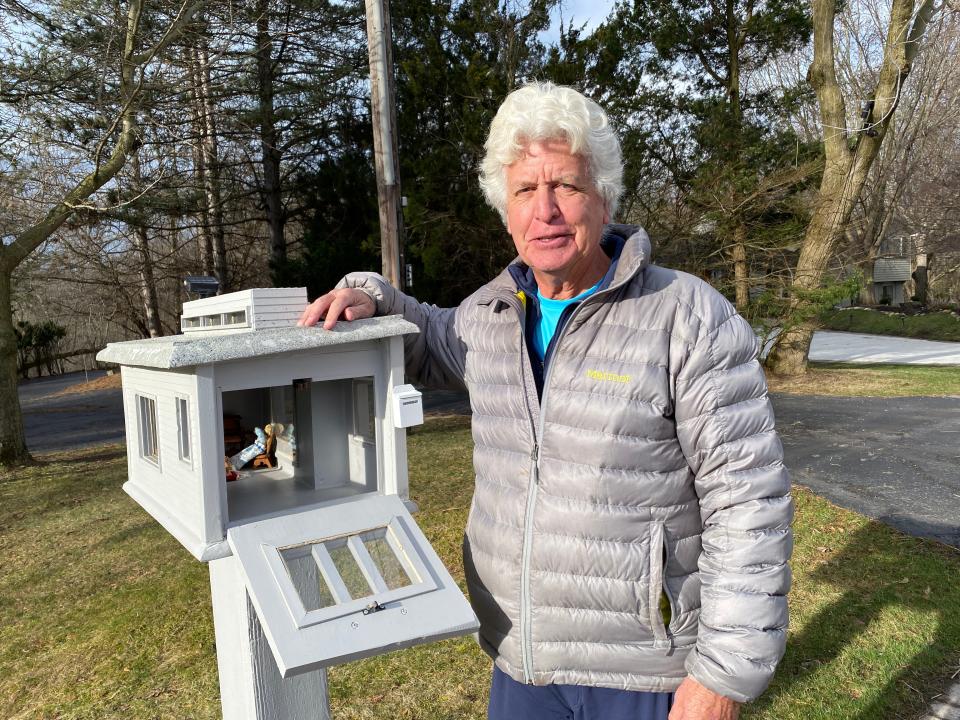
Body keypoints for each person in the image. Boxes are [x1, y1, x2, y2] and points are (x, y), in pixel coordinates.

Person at [298, 82, 792, 720]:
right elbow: (423, 334)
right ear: (504, 208)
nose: (546, 210)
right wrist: (366, 292)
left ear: (605, 199)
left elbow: (750, 503)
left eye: (567, 186)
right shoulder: (490, 315)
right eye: (526, 190)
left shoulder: (687, 316)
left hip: (644, 676)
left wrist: (721, 681)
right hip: (521, 663)